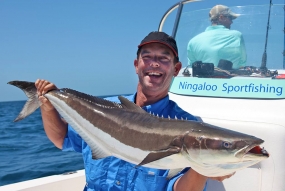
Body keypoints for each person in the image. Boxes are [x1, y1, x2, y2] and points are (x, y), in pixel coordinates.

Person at [35, 31, 233, 191]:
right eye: (147, 57)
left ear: (176, 68)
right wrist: (46, 104)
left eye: (164, 58)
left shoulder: (188, 127)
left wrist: (202, 169)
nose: (154, 63)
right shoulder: (104, 110)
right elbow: (62, 139)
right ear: (136, 65)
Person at [187, 5, 247, 69]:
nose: (231, 22)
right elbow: (242, 63)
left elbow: (192, 67)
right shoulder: (237, 36)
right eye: (230, 18)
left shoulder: (193, 41)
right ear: (221, 17)